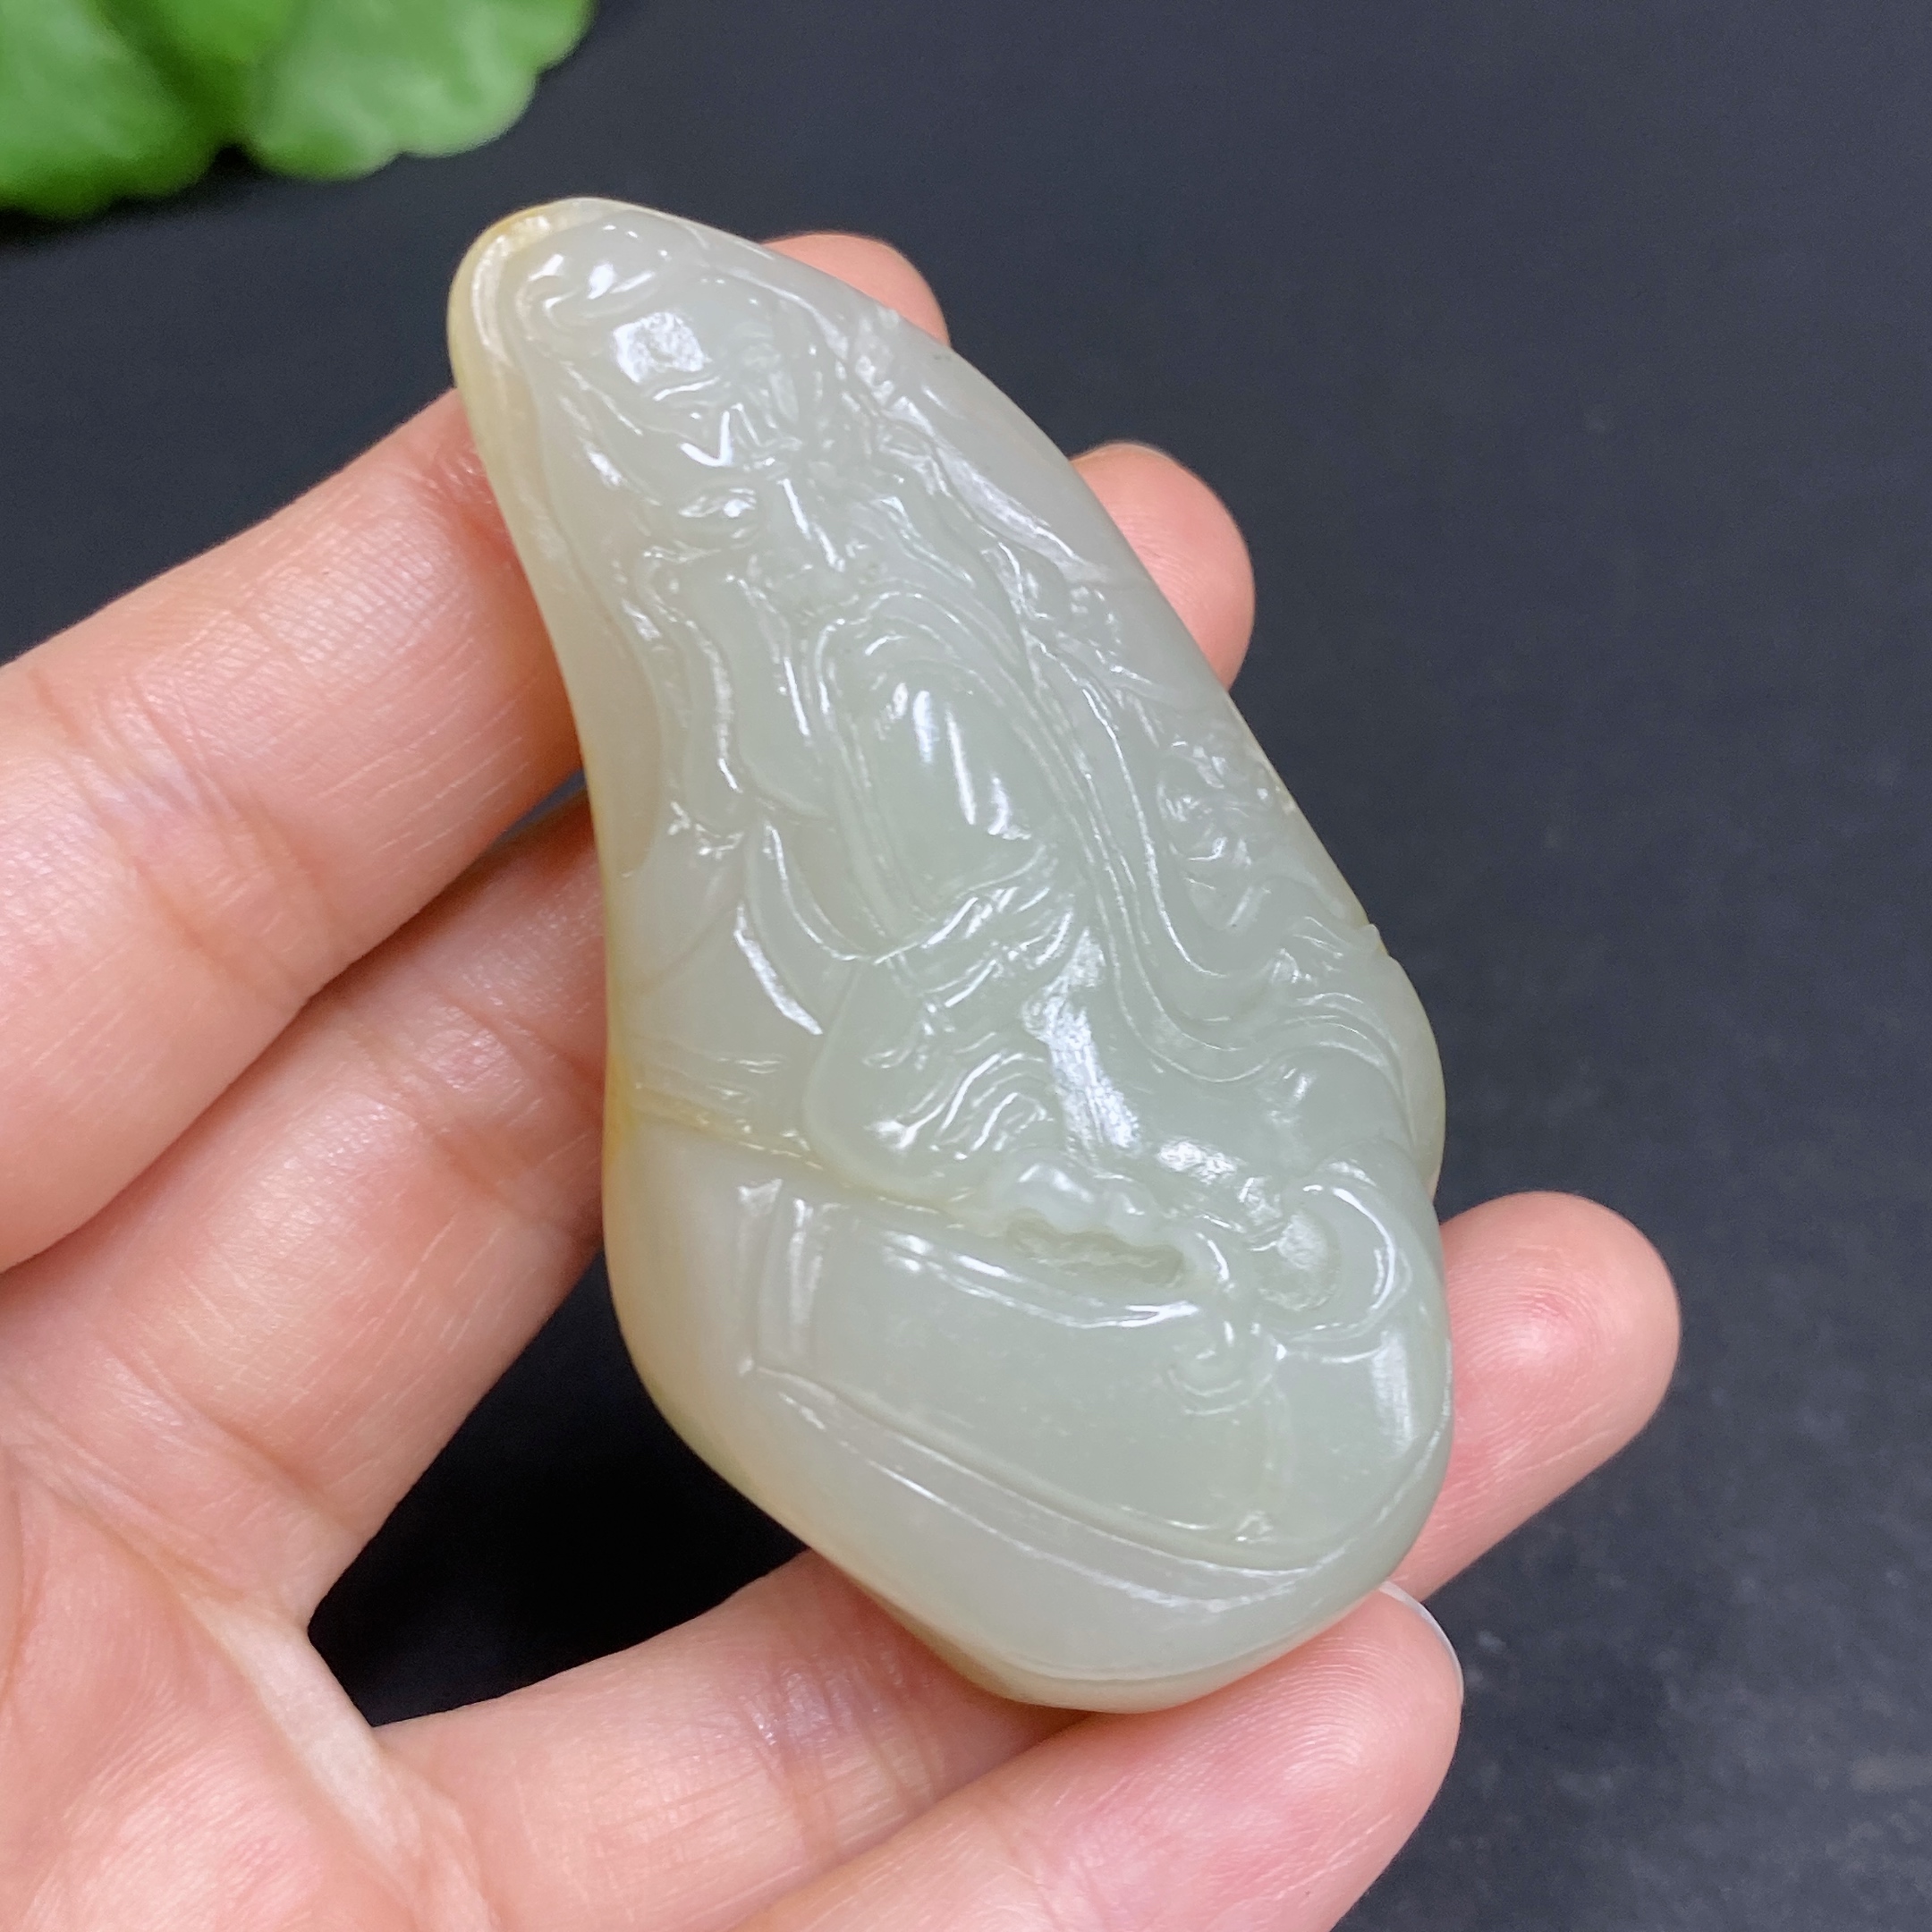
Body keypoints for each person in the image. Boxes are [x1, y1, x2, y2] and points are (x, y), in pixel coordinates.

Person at [0, 233, 1679, 1928]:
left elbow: (1123, 887)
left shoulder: (928, 629)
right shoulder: (797, 682)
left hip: (1087, 1113)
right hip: (949, 1126)